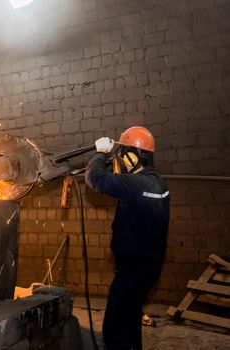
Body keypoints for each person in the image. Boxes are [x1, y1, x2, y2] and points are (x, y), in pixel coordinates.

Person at [85, 126, 170, 350]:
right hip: (149, 268)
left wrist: (101, 152)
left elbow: (95, 178)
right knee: (131, 320)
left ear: (132, 156)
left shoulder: (135, 185)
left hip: (132, 271)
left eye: (122, 154)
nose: (120, 160)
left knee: (114, 331)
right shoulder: (157, 183)